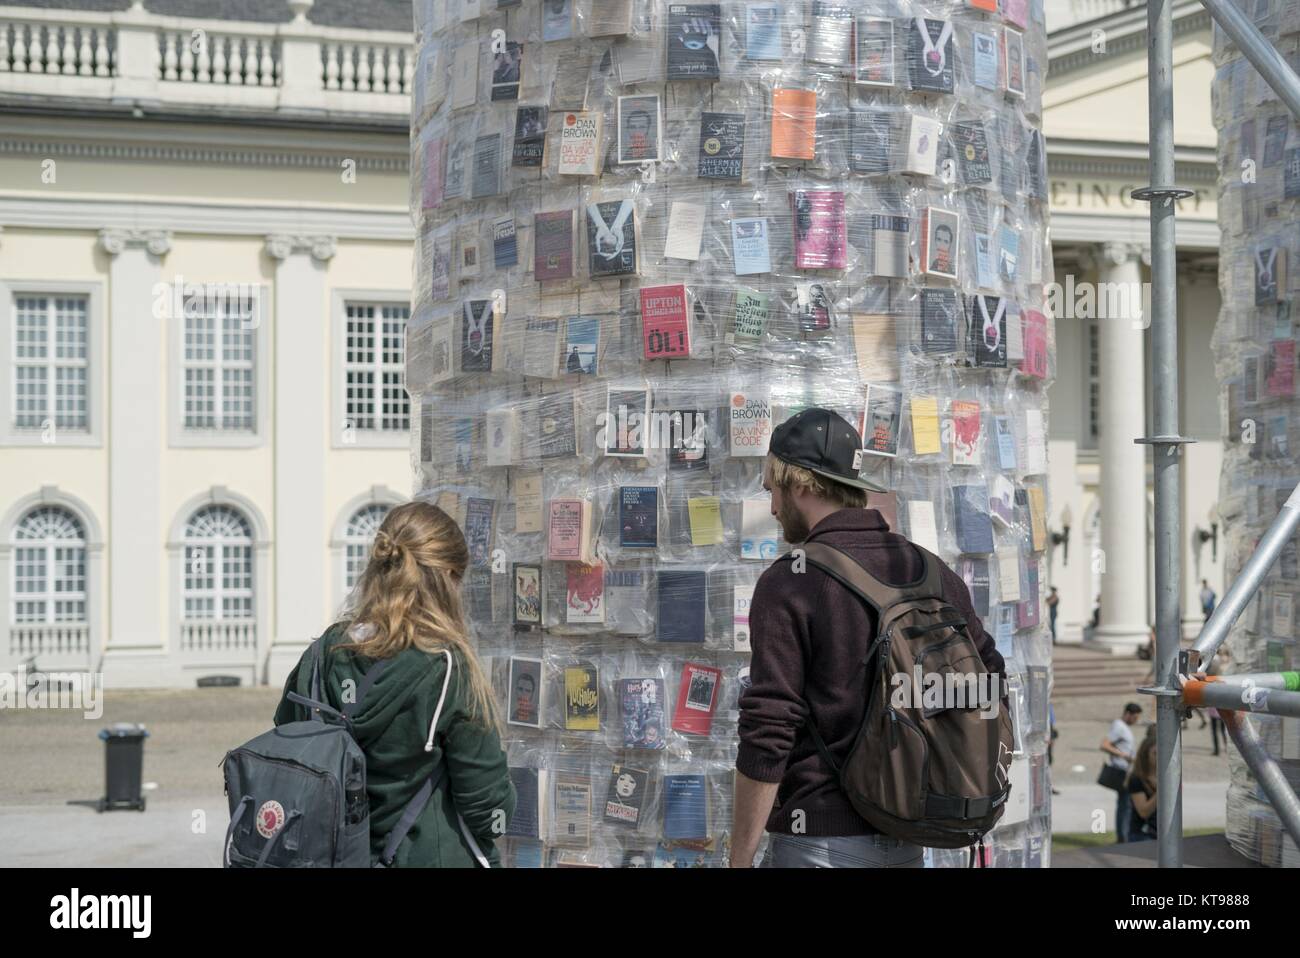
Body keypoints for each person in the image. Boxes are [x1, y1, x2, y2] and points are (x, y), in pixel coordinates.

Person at [730, 408, 1005, 868]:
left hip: (818, 841)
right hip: (910, 839)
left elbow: (769, 728)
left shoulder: (791, 581)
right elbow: (991, 679)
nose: (773, 508)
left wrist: (738, 859)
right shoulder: (932, 572)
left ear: (800, 483)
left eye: (772, 489)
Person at [273, 501, 515, 867]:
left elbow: (290, 746)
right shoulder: (448, 666)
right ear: (447, 578)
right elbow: (488, 806)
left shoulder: (324, 652)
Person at [1100, 702, 1142, 842]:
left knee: (1125, 804)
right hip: (1121, 771)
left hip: (1125, 770)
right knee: (1125, 806)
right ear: (1128, 714)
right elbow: (1104, 745)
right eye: (1135, 718)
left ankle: (1123, 836)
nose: (1136, 721)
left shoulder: (1123, 727)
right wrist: (1124, 756)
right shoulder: (1119, 726)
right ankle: (1123, 837)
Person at [1126, 725, 1159, 841]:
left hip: (1161, 833)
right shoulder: (1136, 779)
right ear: (1145, 755)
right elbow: (1143, 812)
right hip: (1142, 835)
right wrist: (1163, 791)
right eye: (1155, 753)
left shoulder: (1164, 777)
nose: (1160, 757)